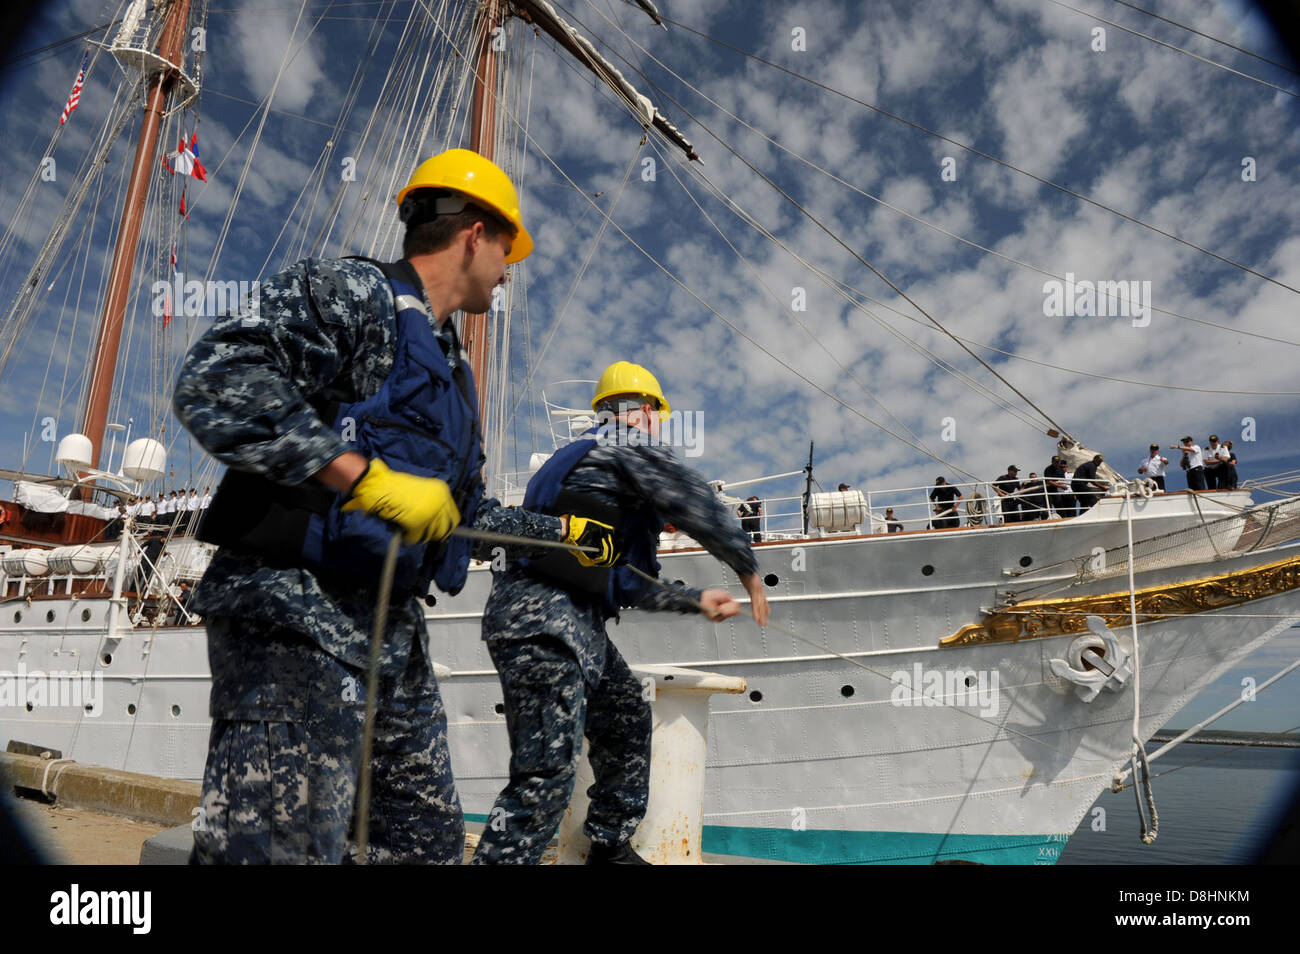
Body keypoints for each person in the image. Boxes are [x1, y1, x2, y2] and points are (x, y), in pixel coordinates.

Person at [172, 149, 601, 865]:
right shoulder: (353, 295)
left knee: (427, 848)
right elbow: (215, 379)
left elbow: (465, 512)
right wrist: (361, 478)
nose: (509, 267)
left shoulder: (452, 373)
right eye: (507, 247)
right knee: (277, 849)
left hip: (392, 642)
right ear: (473, 234)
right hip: (293, 621)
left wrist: (564, 533)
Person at [471, 362, 770, 865]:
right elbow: (691, 494)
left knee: (627, 713)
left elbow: (626, 579)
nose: (659, 429)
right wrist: (746, 566)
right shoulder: (620, 443)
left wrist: (694, 600)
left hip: (577, 623)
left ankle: (609, 847)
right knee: (545, 774)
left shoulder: (591, 466)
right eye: (658, 417)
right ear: (643, 411)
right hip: (542, 622)